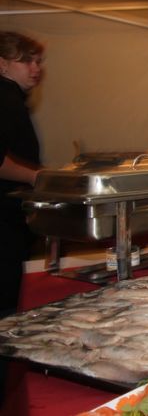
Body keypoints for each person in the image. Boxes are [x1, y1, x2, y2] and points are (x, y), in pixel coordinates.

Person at [0, 31, 44, 318]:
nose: (35, 68)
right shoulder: (5, 97)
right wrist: (36, 177)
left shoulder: (13, 97)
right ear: (2, 64)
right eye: (27, 61)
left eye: (38, 61)